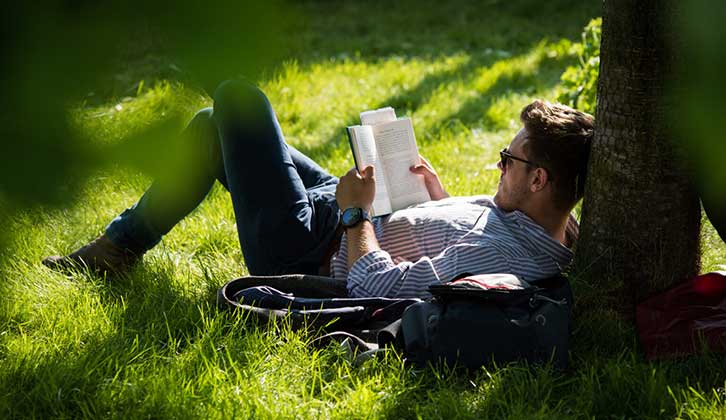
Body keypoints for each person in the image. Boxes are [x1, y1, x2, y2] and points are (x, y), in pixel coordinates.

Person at [43, 80, 594, 298]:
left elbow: (378, 287)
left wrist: (354, 216)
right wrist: (435, 197)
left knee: (238, 102)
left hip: (309, 243)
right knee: (215, 124)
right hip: (347, 214)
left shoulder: (505, 253)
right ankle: (121, 246)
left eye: (508, 160)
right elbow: (455, 237)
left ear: (539, 179)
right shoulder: (553, 224)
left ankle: (119, 247)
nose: (499, 167)